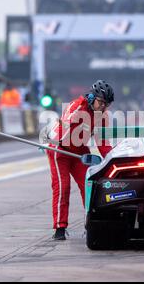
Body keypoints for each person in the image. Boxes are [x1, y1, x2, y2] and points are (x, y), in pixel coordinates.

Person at [45, 80, 114, 240]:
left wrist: (111, 160)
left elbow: (103, 143)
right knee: (63, 187)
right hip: (59, 148)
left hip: (79, 150)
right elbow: (65, 125)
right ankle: (60, 228)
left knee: (89, 186)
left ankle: (90, 225)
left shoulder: (101, 116)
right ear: (92, 98)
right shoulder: (77, 106)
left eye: (106, 105)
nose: (103, 107)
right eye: (101, 103)